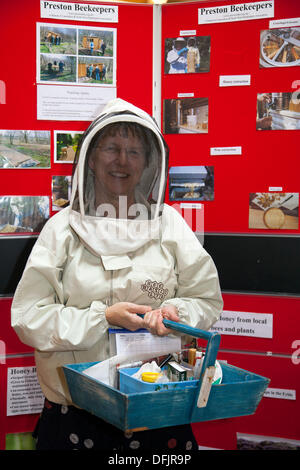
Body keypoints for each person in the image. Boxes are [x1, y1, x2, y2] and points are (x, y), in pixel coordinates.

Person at [11, 99, 223, 451]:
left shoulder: (170, 225)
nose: (122, 161)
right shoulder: (61, 230)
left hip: (159, 411)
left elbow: (206, 298)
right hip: (76, 420)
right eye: (111, 148)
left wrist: (177, 314)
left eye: (135, 151)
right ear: (91, 158)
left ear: (150, 162)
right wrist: (102, 318)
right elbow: (28, 318)